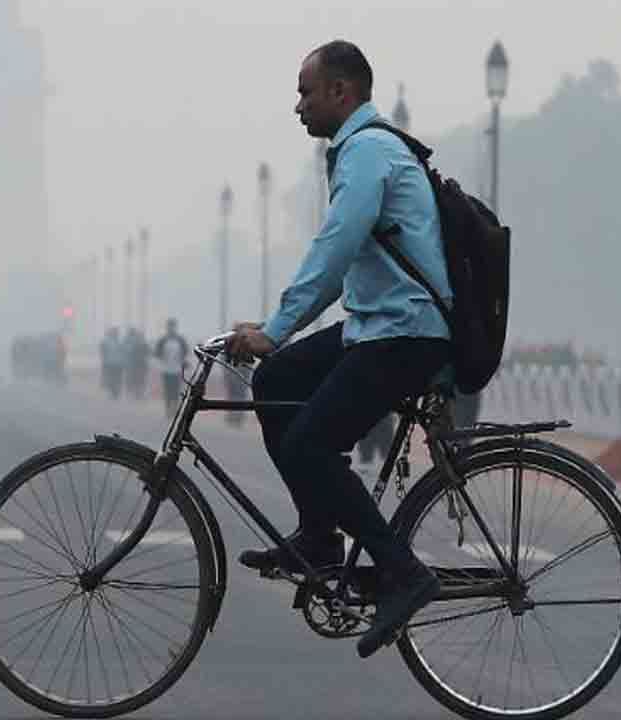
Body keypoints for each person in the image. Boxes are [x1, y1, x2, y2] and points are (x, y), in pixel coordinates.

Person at [225, 41, 451, 658]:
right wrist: (277, 340)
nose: (297, 105)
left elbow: (335, 249)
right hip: (375, 325)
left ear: (341, 93)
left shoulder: (368, 152)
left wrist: (277, 325)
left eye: (306, 91)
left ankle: (404, 573)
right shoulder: (359, 151)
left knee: (310, 441)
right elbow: (343, 265)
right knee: (276, 381)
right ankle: (320, 537)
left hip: (406, 332)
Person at [154, 318, 190, 416]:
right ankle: (168, 408)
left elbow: (186, 352)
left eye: (173, 326)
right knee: (167, 390)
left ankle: (174, 408)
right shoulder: (163, 340)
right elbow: (156, 353)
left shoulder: (180, 340)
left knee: (176, 390)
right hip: (166, 369)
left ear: (175, 328)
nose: (171, 328)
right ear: (167, 328)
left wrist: (184, 361)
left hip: (177, 370)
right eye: (169, 326)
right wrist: (162, 357)